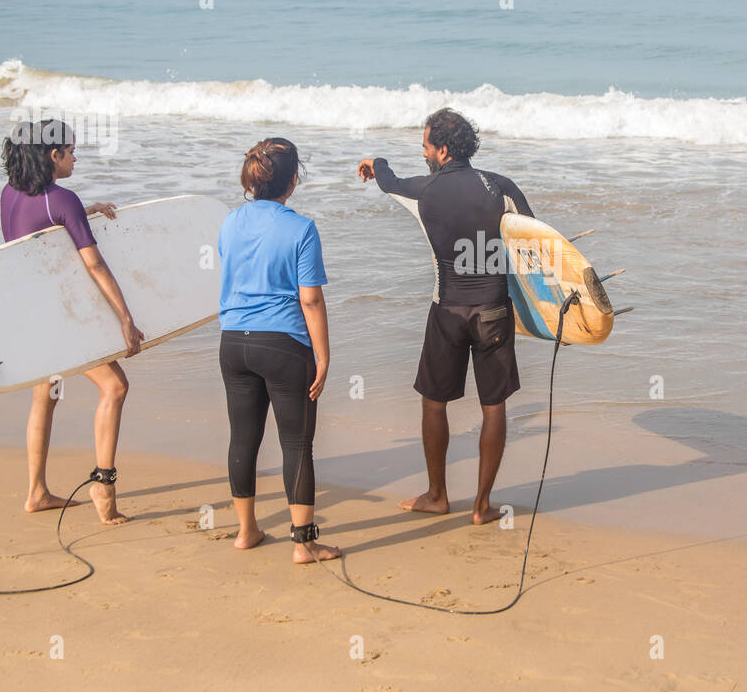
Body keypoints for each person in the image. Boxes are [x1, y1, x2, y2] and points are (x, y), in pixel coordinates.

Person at [356, 108, 533, 525]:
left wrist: (375, 163)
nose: (423, 153)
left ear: (442, 150)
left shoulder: (425, 191)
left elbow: (389, 183)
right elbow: (532, 244)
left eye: (425, 146)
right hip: (494, 310)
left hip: (447, 311)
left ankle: (437, 496)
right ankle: (482, 506)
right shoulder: (501, 187)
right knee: (494, 407)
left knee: (434, 403)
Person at [0, 119, 143, 524]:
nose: (75, 158)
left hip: (28, 315)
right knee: (115, 386)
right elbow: (95, 264)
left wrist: (85, 211)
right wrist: (125, 317)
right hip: (58, 322)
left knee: (45, 397)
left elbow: (38, 236)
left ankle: (36, 492)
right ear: (53, 155)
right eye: (71, 152)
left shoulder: (9, 193)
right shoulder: (63, 200)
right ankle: (104, 490)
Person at [217, 138, 339, 562]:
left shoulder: (229, 222)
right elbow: (310, 299)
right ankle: (304, 544)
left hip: (233, 342)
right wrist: (323, 355)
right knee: (296, 443)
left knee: (243, 438)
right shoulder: (301, 227)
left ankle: (246, 531)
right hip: (283, 345)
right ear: (292, 180)